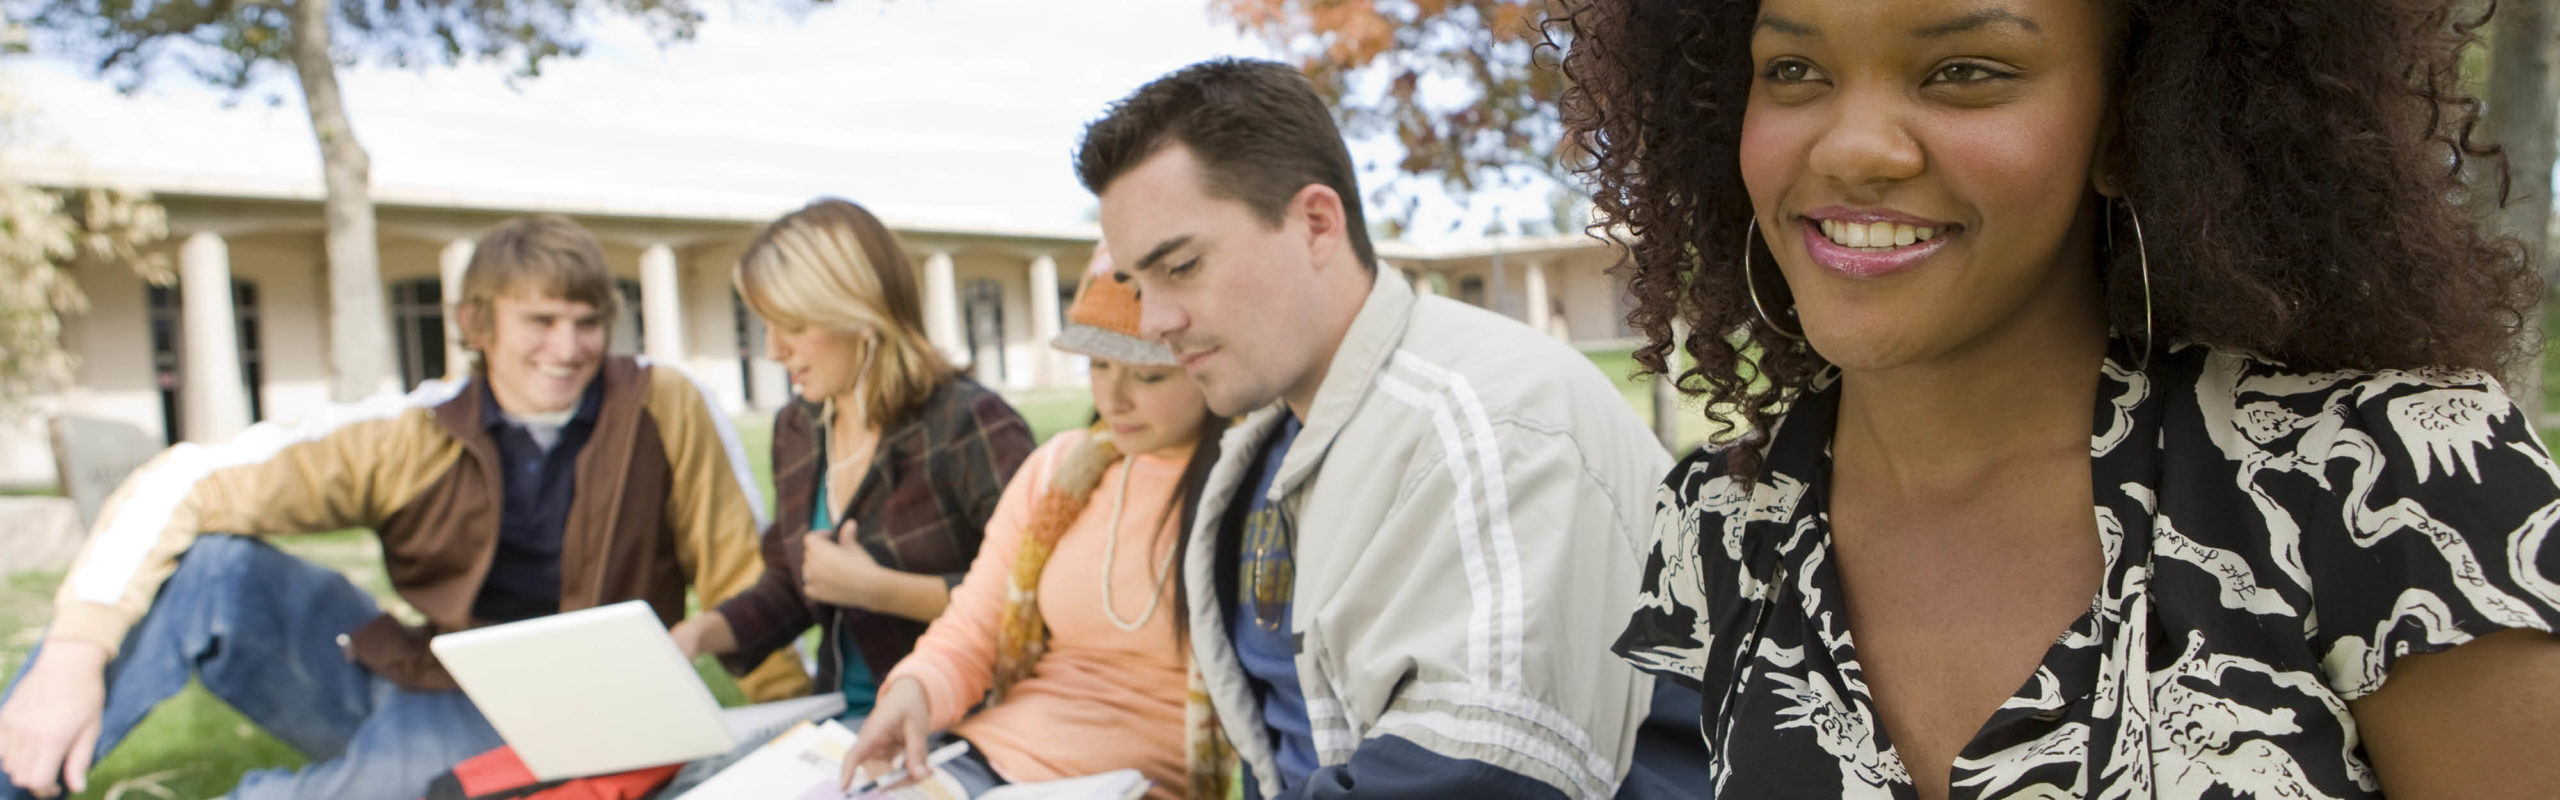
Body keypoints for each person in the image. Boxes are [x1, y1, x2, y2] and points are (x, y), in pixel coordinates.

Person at [1568, 0, 2560, 796]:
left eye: (1965, 71)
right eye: (1794, 70)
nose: (1853, 146)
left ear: (2128, 122)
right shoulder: (1730, 516)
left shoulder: (2383, 476)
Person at [0, 214, 805, 800]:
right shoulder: (409, 433)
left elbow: (739, 569)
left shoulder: (661, 405)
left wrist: (798, 730)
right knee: (213, 568)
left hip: (574, 715)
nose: (568, 348)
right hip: (426, 678)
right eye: (542, 320)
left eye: (587, 322)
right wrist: (75, 653)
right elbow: (183, 480)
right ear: (475, 323)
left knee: (364, 784)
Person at [1076, 59, 1675, 800]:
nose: (1155, 322)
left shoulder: (1491, 425)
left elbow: (1477, 781)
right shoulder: (1269, 437)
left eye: (1183, 266)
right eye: (1139, 285)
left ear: (1317, 224)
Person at [842, 245, 1231, 800]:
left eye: (1148, 376)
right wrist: (913, 693)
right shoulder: (1059, 468)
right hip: (985, 760)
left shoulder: (1249, 491)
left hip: (1137, 784)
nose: (1112, 399)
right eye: (1098, 365)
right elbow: (973, 627)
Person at [667, 197, 1034, 727]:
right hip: (840, 721)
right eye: (764, 326)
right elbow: (794, 583)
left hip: (964, 724)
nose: (773, 351)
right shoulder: (798, 427)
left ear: (859, 312)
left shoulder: (969, 423)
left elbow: (1037, 594)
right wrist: (698, 634)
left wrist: (878, 590)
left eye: (791, 325)